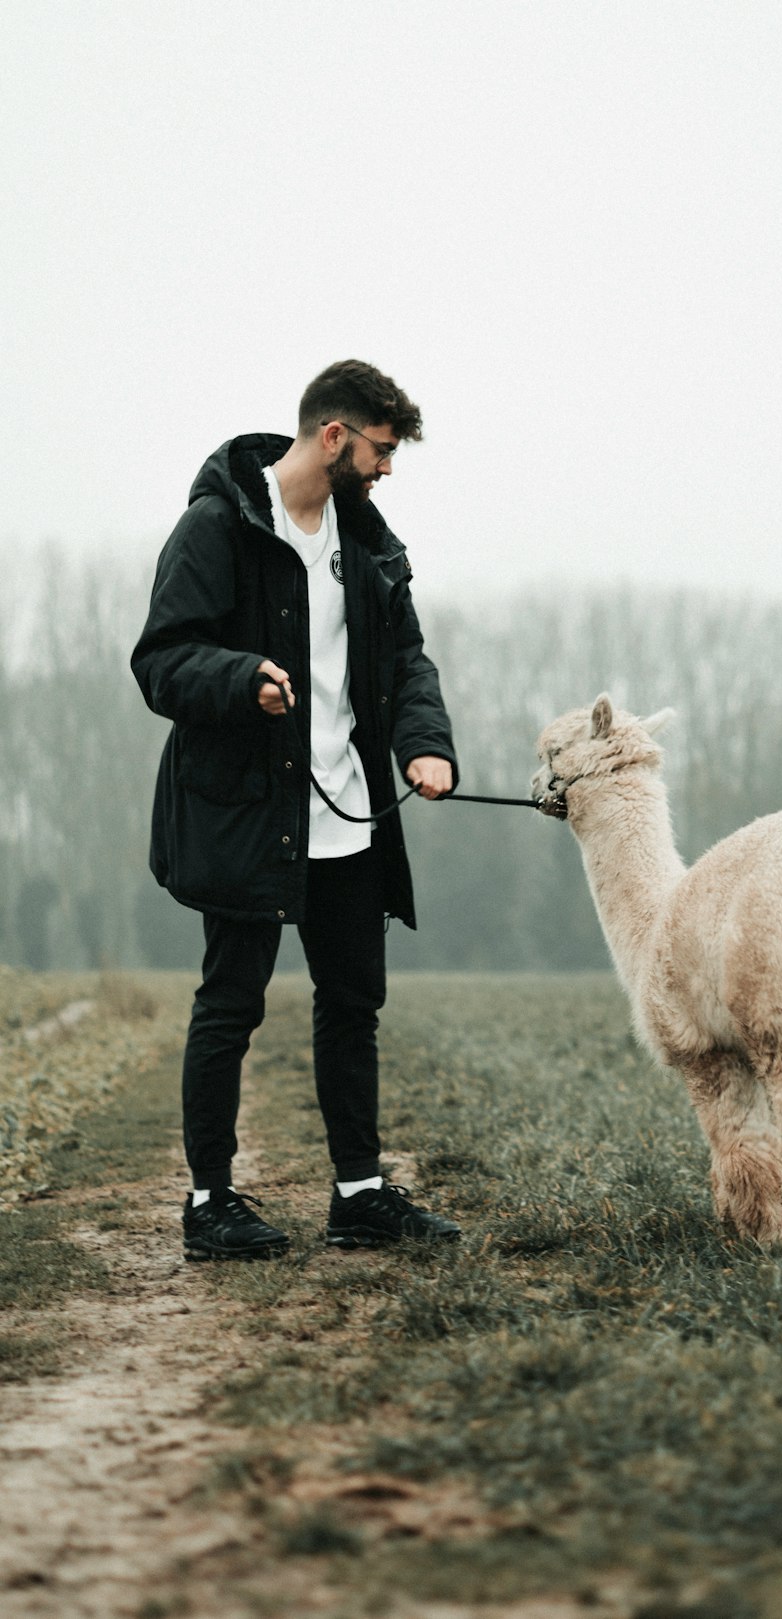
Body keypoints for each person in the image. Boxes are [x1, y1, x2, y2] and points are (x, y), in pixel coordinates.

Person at [131, 359, 461, 1259]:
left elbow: (407, 661)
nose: (388, 468)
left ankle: (359, 1195)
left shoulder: (370, 543)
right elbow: (160, 660)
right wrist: (243, 679)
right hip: (247, 816)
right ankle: (209, 1204)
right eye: (381, 449)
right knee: (230, 1005)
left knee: (353, 1004)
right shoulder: (216, 526)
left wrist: (424, 744)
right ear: (332, 436)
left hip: (350, 816)